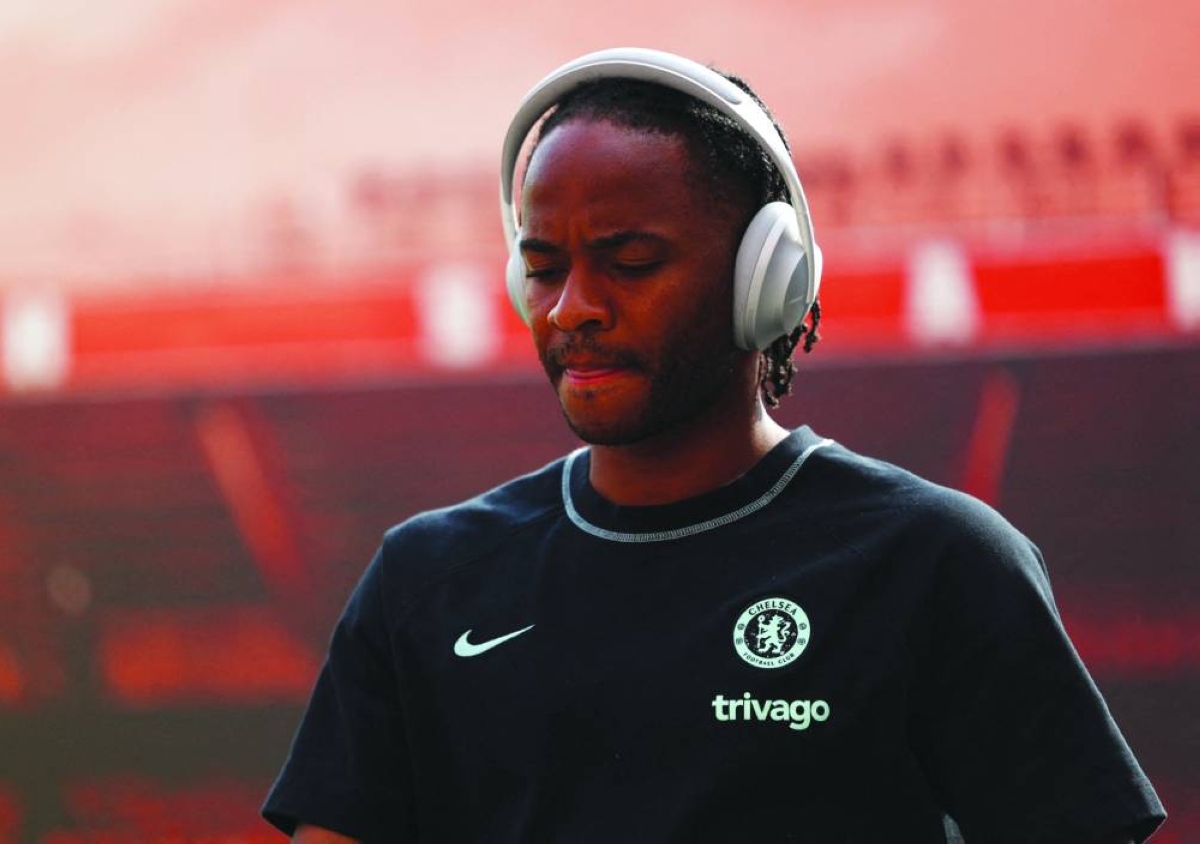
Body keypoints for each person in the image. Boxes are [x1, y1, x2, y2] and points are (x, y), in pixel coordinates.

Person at [262, 48, 1165, 843]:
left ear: (765, 278)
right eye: (543, 268)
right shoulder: (424, 579)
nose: (573, 308)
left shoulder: (942, 564)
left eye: (631, 262)